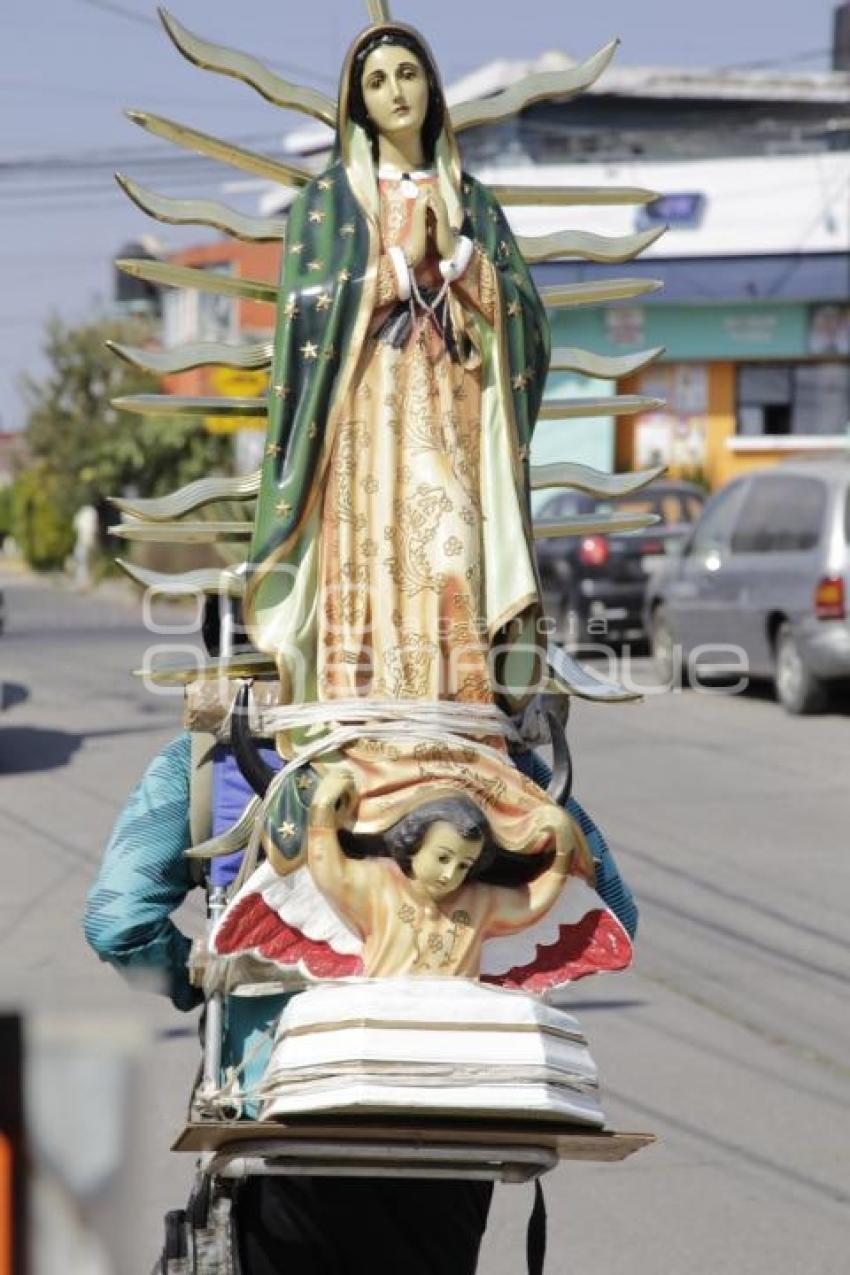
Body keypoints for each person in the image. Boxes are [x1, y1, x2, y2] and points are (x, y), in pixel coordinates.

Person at [84, 732, 637, 1275]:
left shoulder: (213, 757)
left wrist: (209, 980)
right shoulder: (498, 764)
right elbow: (614, 912)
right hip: (457, 1104)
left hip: (279, 1102)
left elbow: (119, 924)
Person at [246, 21, 550, 710]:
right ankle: (375, 714)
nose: (396, 92)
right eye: (377, 82)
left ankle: (463, 711)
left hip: (454, 409)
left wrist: (462, 259)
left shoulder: (475, 205)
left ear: (433, 88)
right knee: (374, 562)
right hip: (364, 420)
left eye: (408, 75)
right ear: (357, 104)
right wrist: (399, 256)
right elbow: (307, 315)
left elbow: (526, 321)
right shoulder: (330, 206)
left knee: (450, 554)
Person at [306, 770, 594, 978]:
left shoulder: (479, 901)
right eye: (442, 857)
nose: (449, 875)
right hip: (386, 1010)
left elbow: (531, 905)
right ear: (414, 844)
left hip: (457, 1021)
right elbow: (330, 870)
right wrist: (321, 811)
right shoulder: (380, 882)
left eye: (464, 865)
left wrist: (562, 850)